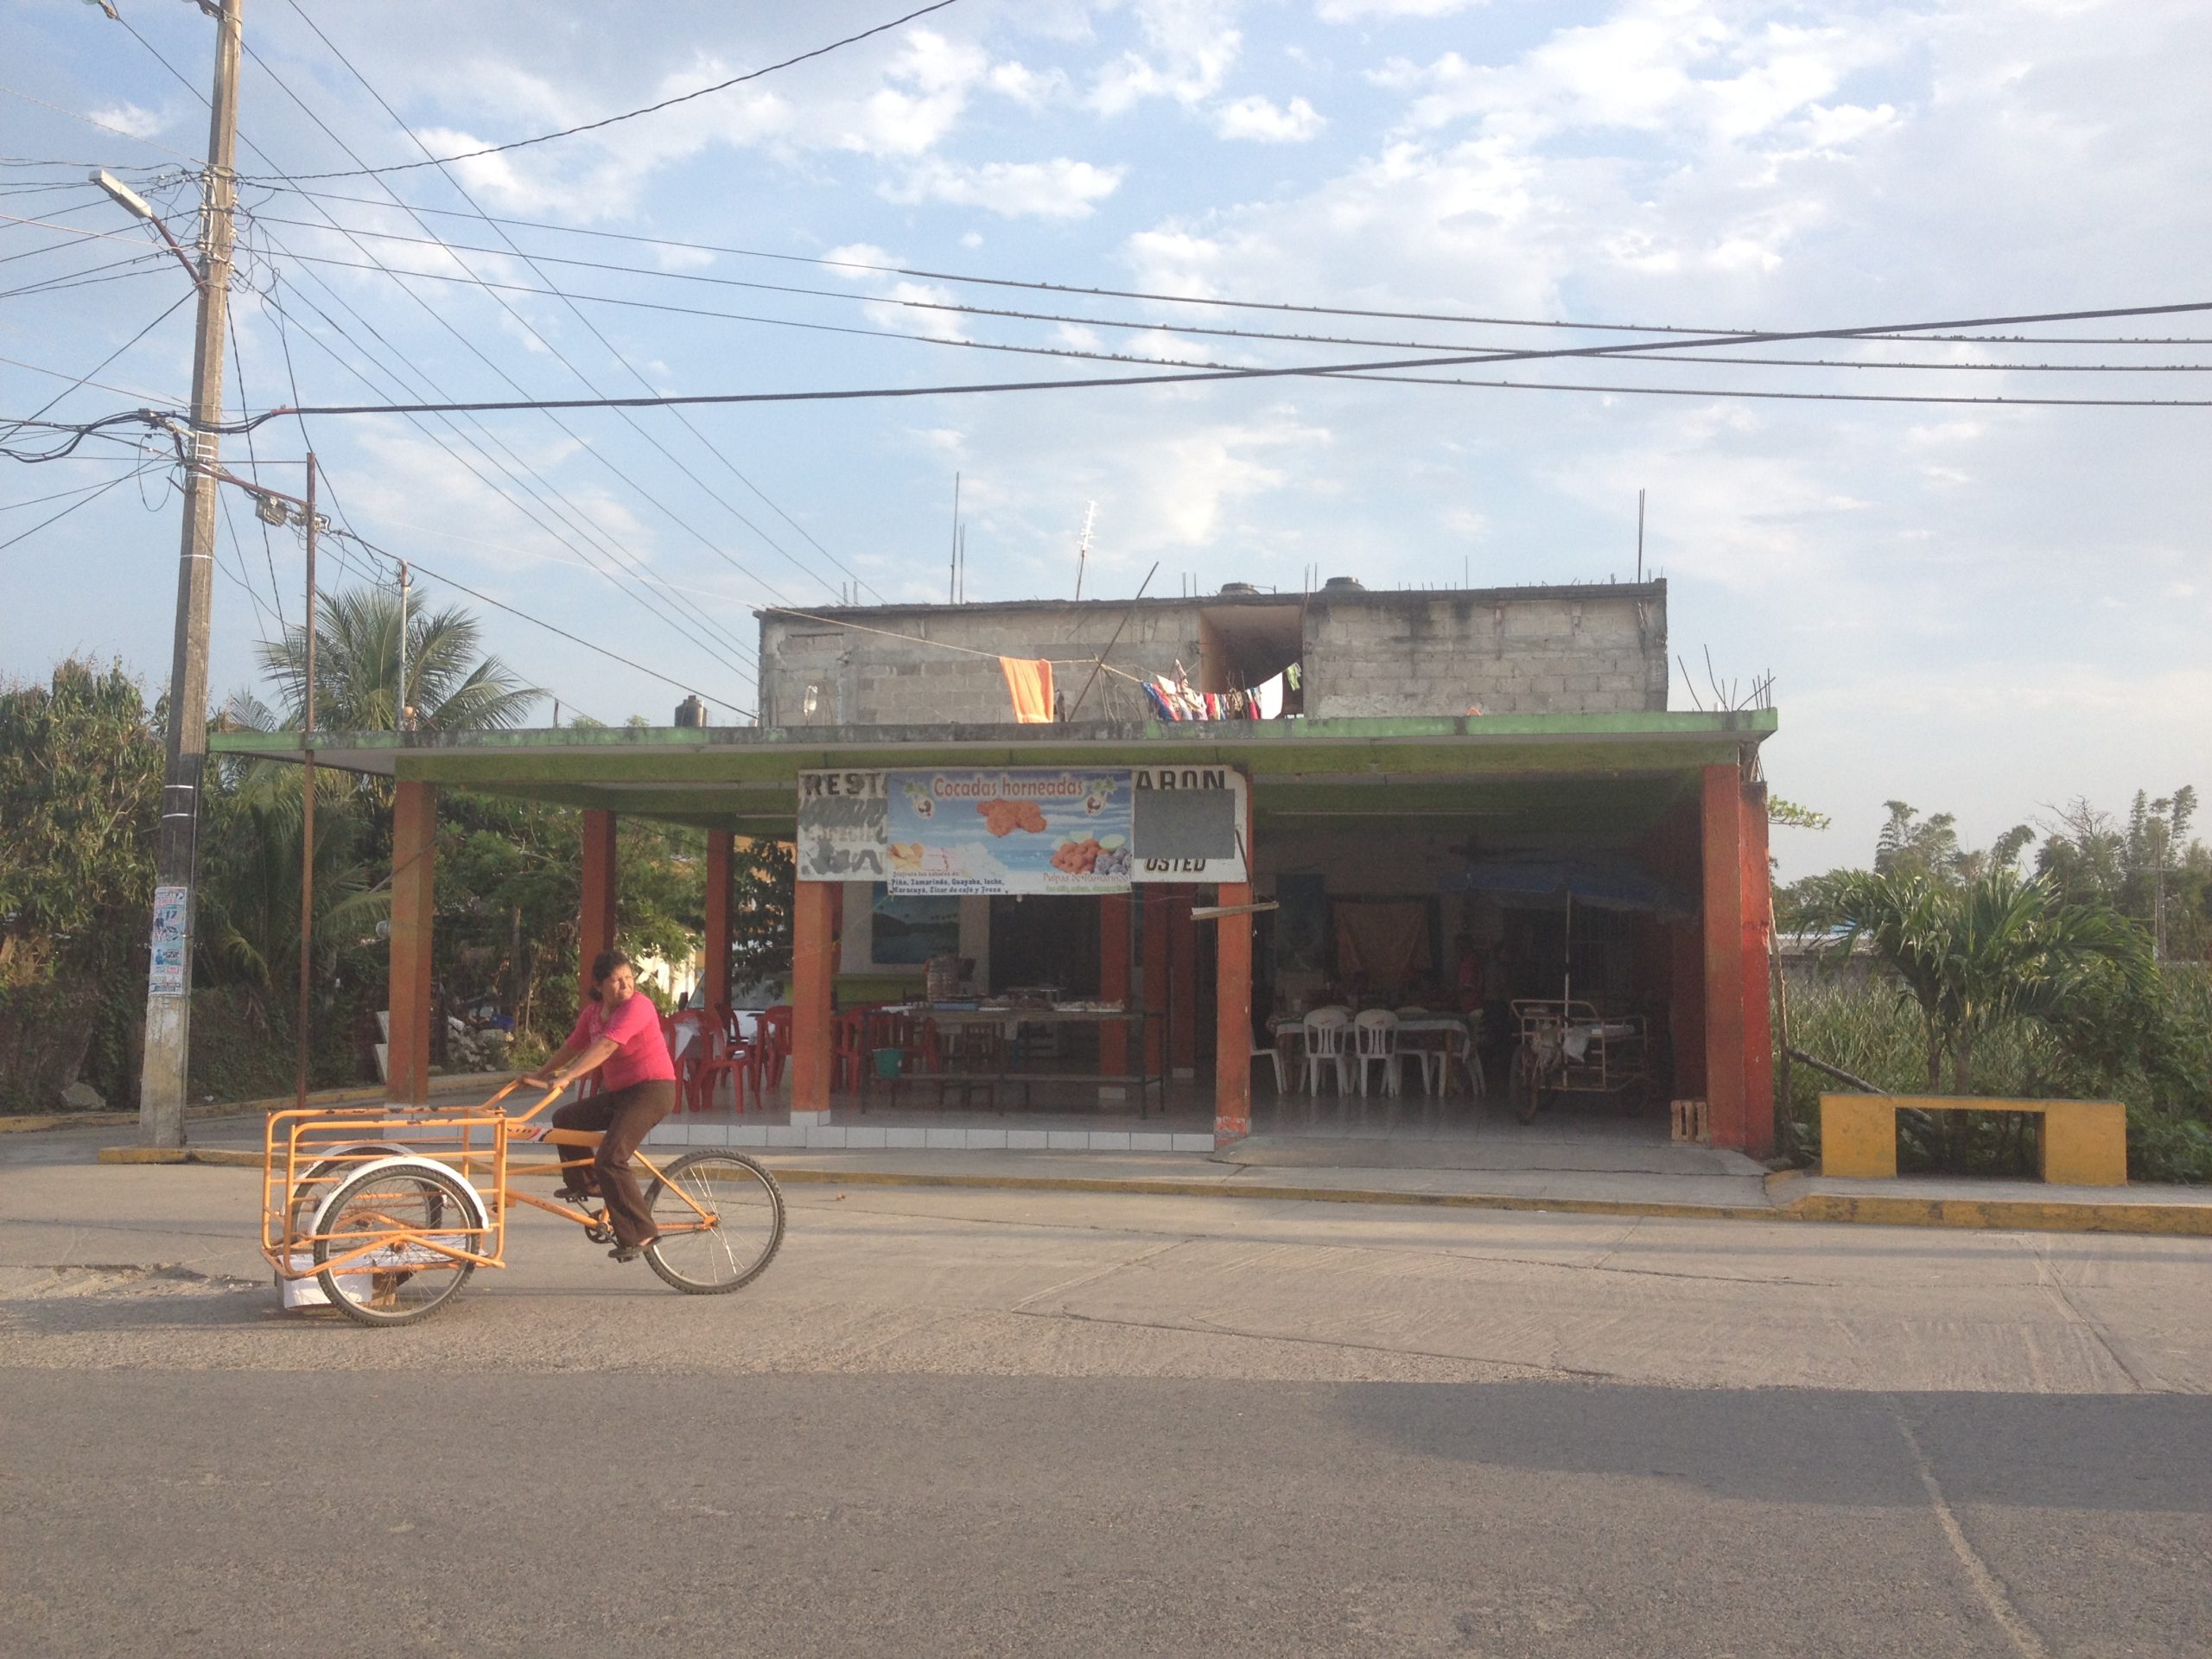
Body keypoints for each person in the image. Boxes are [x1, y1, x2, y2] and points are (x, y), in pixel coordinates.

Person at [522, 950, 678, 1262]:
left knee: (610, 1157)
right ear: (598, 985)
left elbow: (606, 1046)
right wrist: (540, 1074)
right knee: (565, 1118)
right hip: (622, 1093)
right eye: (617, 980)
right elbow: (572, 1047)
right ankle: (588, 1184)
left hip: (652, 1091)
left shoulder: (638, 1006)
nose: (626, 985)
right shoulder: (593, 1014)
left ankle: (641, 1231)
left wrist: (569, 1076)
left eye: (629, 978)